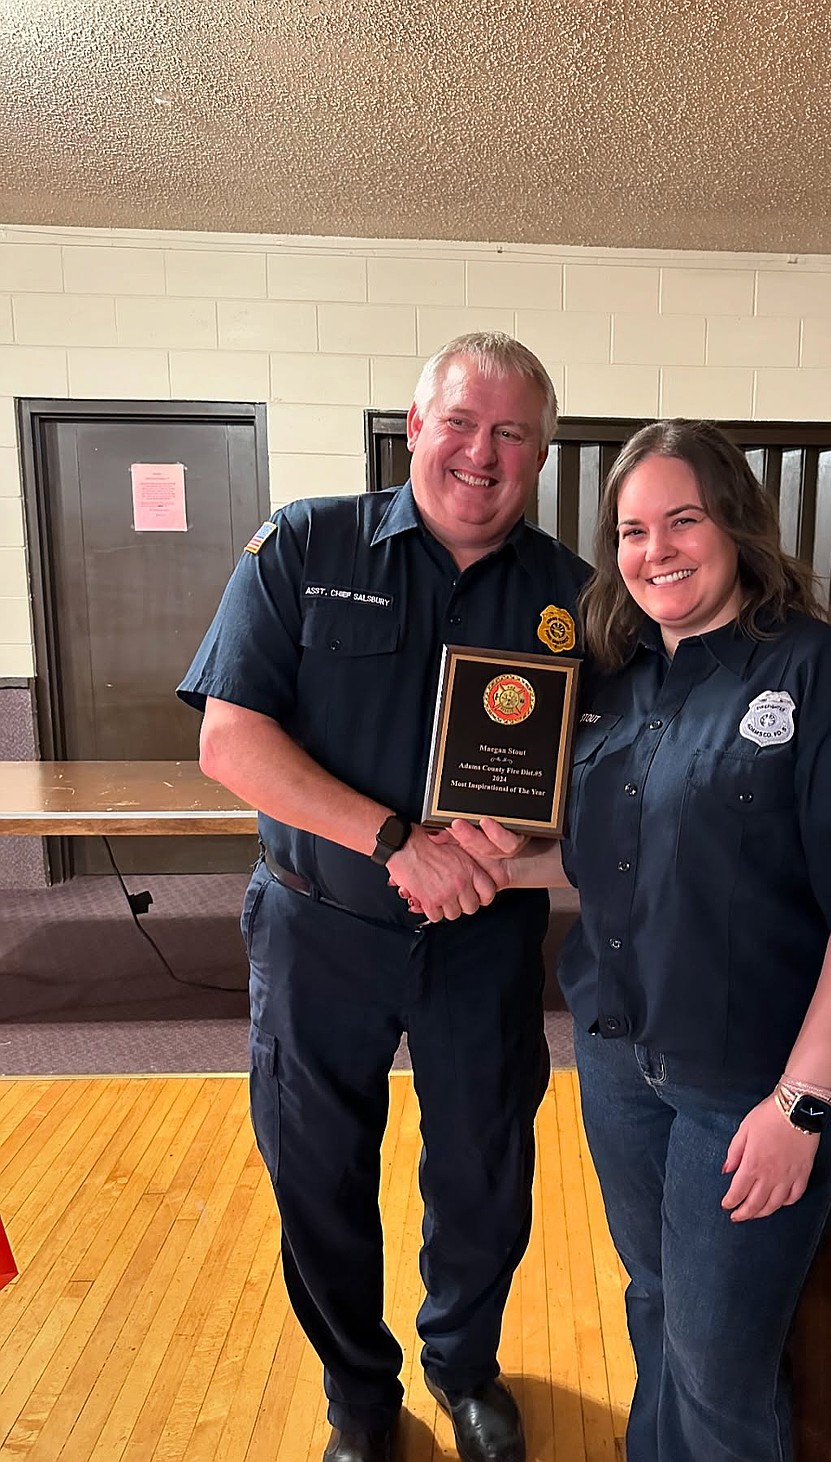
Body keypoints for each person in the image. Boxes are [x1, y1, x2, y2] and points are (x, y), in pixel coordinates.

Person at [435, 420, 831, 1462]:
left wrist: (800, 1104)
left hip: (755, 1080)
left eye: (682, 520)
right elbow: (613, 858)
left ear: (738, 527)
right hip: (625, 1060)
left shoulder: (824, 678)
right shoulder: (619, 683)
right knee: (655, 1302)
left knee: (719, 1366)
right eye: (631, 530)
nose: (655, 550)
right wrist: (479, 863)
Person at [178, 333, 590, 1462]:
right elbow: (231, 739)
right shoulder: (307, 543)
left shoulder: (575, 599)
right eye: (461, 422)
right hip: (321, 926)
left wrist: (524, 839)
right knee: (315, 1172)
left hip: (483, 940)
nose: (482, 452)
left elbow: (606, 776)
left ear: (541, 453)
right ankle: (359, 1392)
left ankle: (462, 1365)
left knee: (485, 1171)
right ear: (415, 426)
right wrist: (393, 839)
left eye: (512, 433)